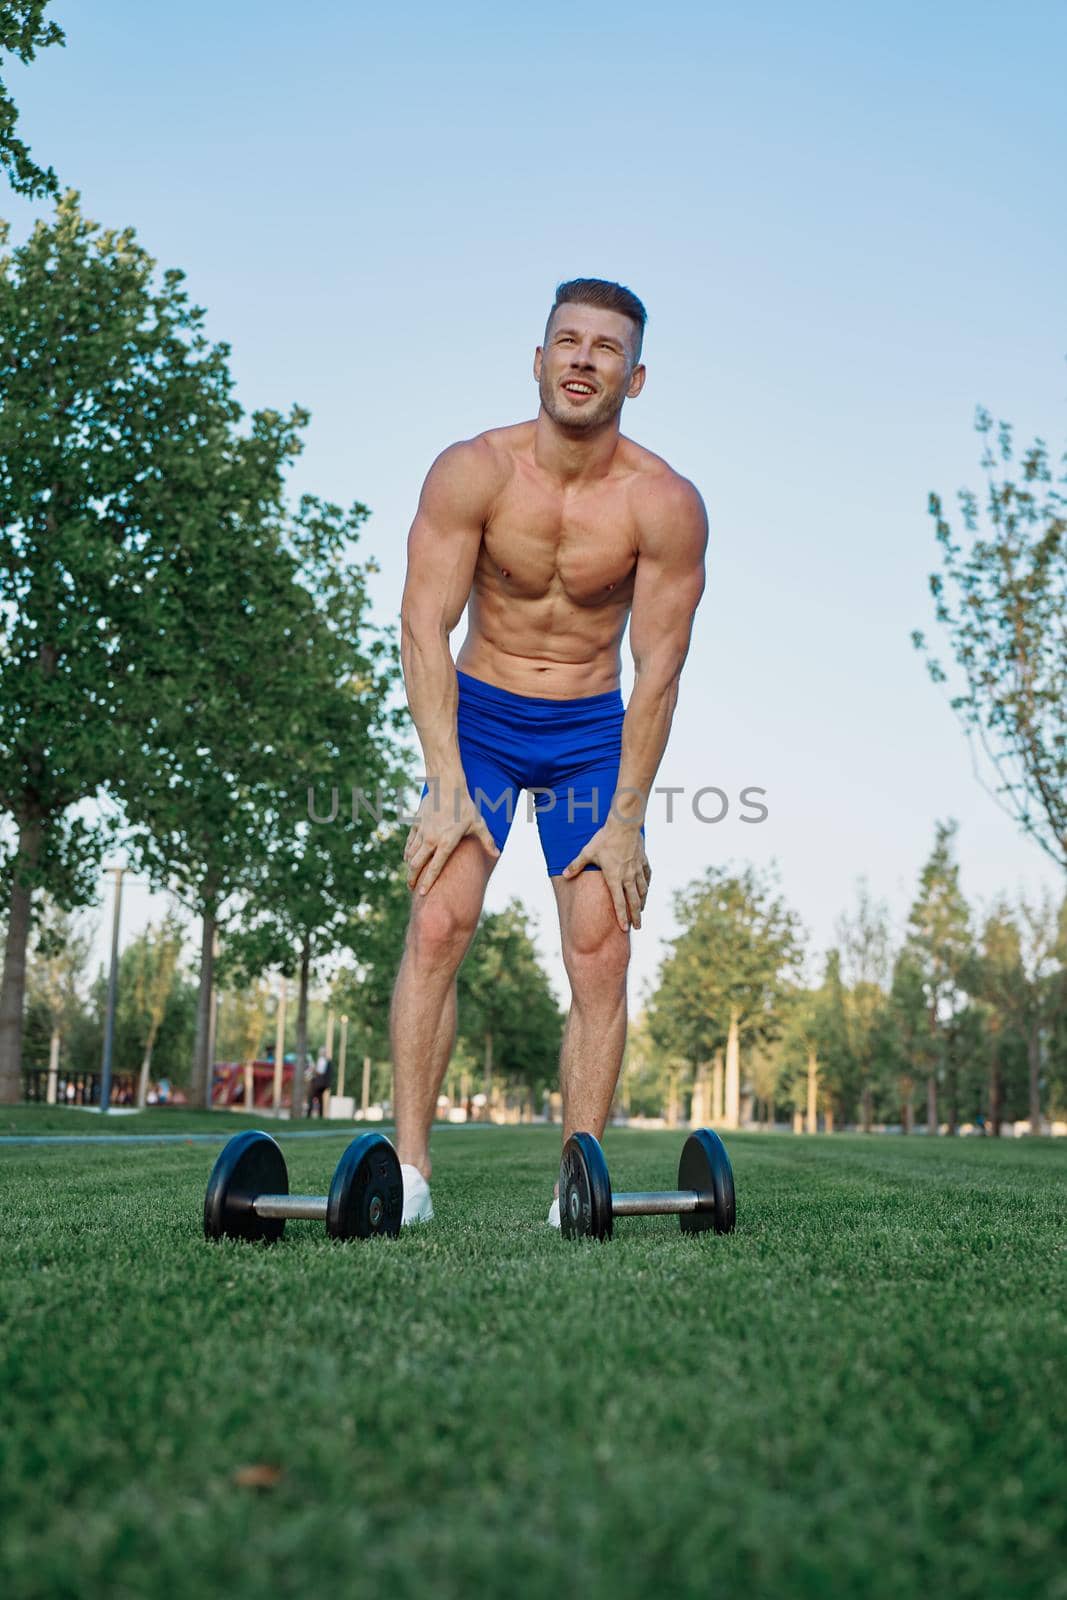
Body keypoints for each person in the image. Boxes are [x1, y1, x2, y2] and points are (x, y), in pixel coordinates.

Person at [391, 277, 707, 1227]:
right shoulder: (472, 471)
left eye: (605, 348)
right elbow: (422, 623)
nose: (581, 359)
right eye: (566, 341)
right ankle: (409, 1177)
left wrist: (626, 821)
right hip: (479, 721)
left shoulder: (664, 504)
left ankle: (581, 1179)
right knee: (440, 922)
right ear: (537, 359)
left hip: (586, 733)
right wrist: (445, 782)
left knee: (600, 950)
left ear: (634, 377)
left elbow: (657, 670)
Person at [307, 1049, 331, 1118]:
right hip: (322, 1084)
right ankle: (321, 1115)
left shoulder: (321, 1060)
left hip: (318, 1084)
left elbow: (320, 1072)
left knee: (311, 1097)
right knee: (320, 1099)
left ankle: (308, 1114)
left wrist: (314, 1068)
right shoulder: (325, 1061)